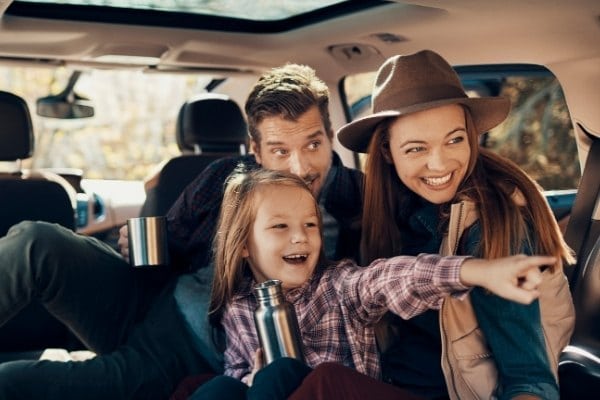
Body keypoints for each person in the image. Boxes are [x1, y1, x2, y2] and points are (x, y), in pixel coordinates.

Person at [0, 63, 362, 399]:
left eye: (313, 144)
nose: (299, 167)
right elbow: (171, 243)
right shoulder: (224, 176)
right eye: (280, 151)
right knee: (37, 240)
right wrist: (136, 245)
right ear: (256, 151)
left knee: (13, 383)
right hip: (154, 302)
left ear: (331, 137)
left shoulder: (361, 203)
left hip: (184, 354)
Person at [290, 50, 575, 400]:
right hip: (387, 379)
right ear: (386, 153)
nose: (439, 164)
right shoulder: (387, 208)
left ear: (472, 136)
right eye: (416, 149)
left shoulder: (490, 224)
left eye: (454, 139)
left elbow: (530, 377)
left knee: (326, 383)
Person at [189, 168, 555, 400]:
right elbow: (236, 369)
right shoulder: (238, 308)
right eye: (281, 226)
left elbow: (393, 277)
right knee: (218, 386)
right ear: (241, 247)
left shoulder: (338, 286)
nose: (300, 237)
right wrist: (249, 377)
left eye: (310, 225)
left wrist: (476, 271)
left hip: (340, 390)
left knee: (284, 372)